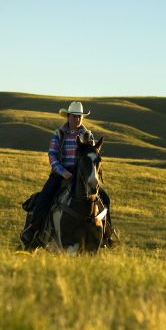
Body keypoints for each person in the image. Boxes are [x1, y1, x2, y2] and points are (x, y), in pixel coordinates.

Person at [20, 101, 114, 247]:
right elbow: (52, 155)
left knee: (104, 198)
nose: (77, 119)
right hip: (61, 174)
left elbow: (92, 155)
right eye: (75, 116)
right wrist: (63, 172)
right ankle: (33, 229)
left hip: (81, 175)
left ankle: (107, 233)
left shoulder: (88, 135)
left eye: (80, 116)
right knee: (44, 197)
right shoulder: (59, 134)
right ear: (68, 116)